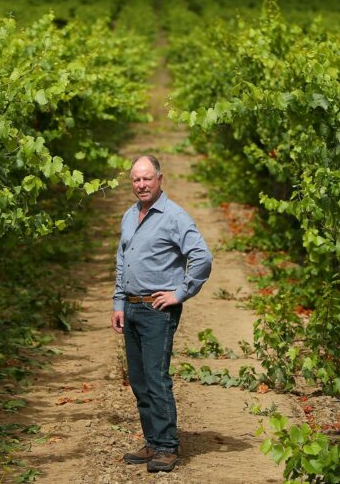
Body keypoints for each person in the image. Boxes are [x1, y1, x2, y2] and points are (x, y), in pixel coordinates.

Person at [111, 154, 213, 473]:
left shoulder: (174, 217)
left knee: (156, 378)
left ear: (160, 179)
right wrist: (118, 303)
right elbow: (122, 261)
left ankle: (167, 446)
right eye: (136, 179)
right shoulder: (130, 216)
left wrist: (180, 293)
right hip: (131, 305)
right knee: (139, 380)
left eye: (147, 178)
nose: (141, 184)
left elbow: (202, 258)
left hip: (158, 310)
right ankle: (152, 441)